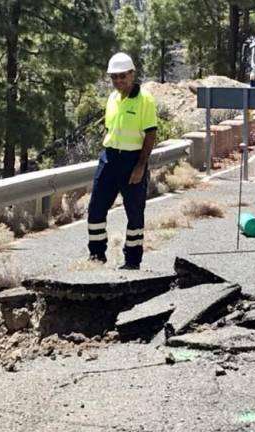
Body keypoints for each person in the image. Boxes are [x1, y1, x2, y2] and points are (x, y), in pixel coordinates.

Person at [86, 53, 158, 270]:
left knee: (134, 212)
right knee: (96, 208)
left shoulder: (145, 100)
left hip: (132, 160)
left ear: (132, 74)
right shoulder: (112, 98)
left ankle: (132, 260)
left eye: (122, 76)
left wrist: (140, 166)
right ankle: (97, 255)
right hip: (109, 158)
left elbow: (151, 135)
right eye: (114, 77)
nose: (118, 81)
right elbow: (110, 127)